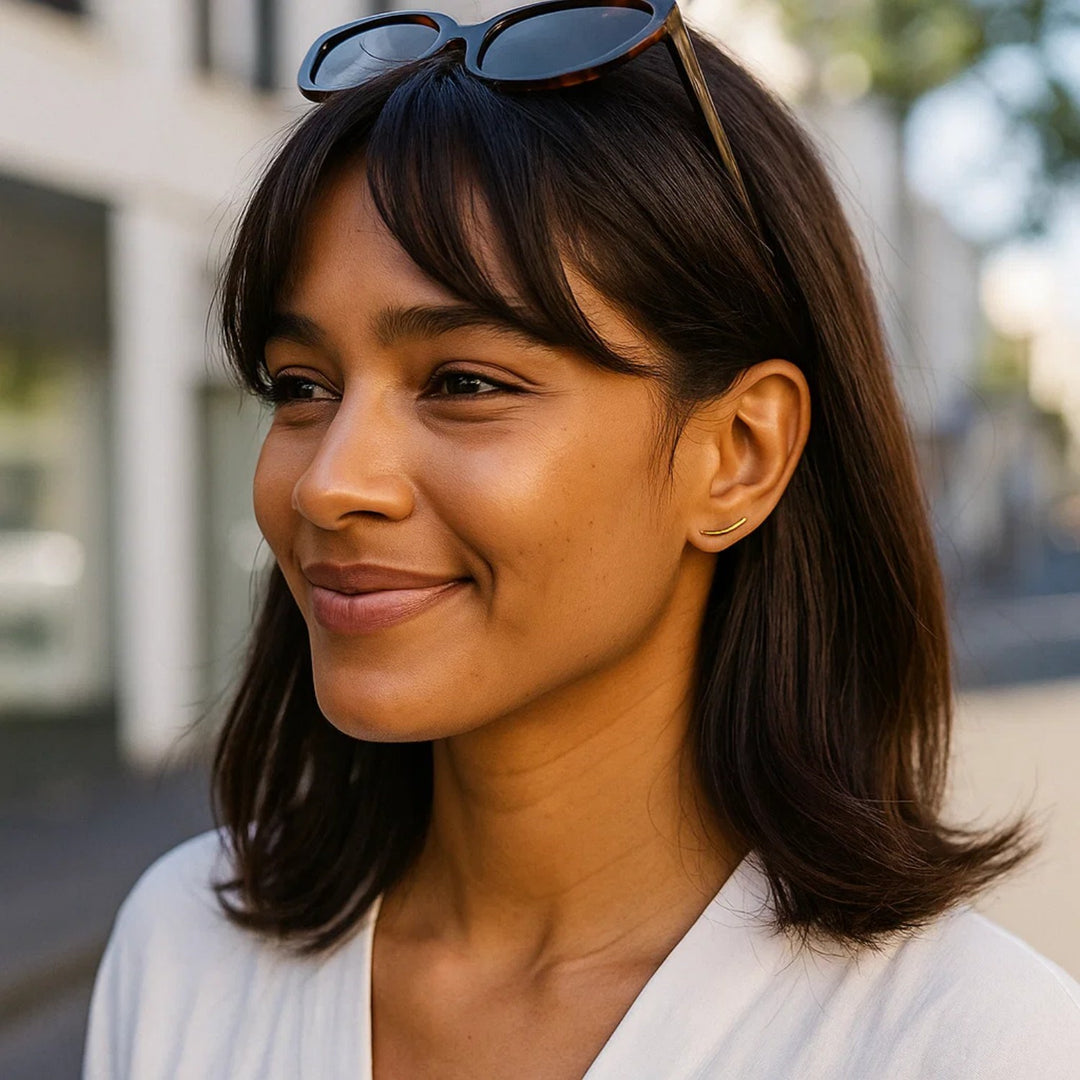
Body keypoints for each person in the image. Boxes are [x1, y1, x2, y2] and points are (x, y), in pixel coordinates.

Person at [83, 3, 1080, 1077]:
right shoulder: (184, 953)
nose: (330, 484)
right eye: (301, 387)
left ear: (739, 454)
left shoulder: (969, 1044)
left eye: (465, 383)